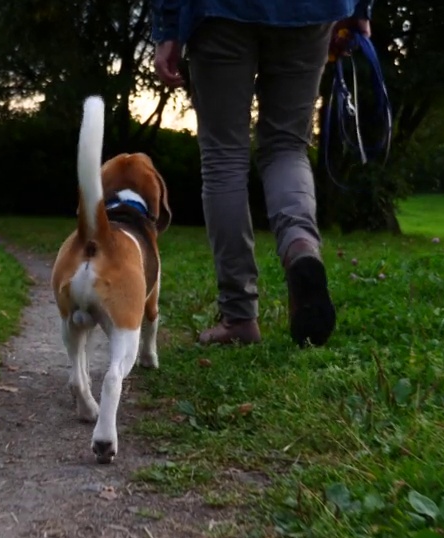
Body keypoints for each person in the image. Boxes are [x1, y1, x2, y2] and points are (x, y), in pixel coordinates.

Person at [151, 0, 373, 348]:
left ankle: (239, 316)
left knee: (223, 157)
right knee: (287, 146)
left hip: (218, 13)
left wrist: (167, 30)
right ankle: (300, 247)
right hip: (309, 12)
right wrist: (359, 9)